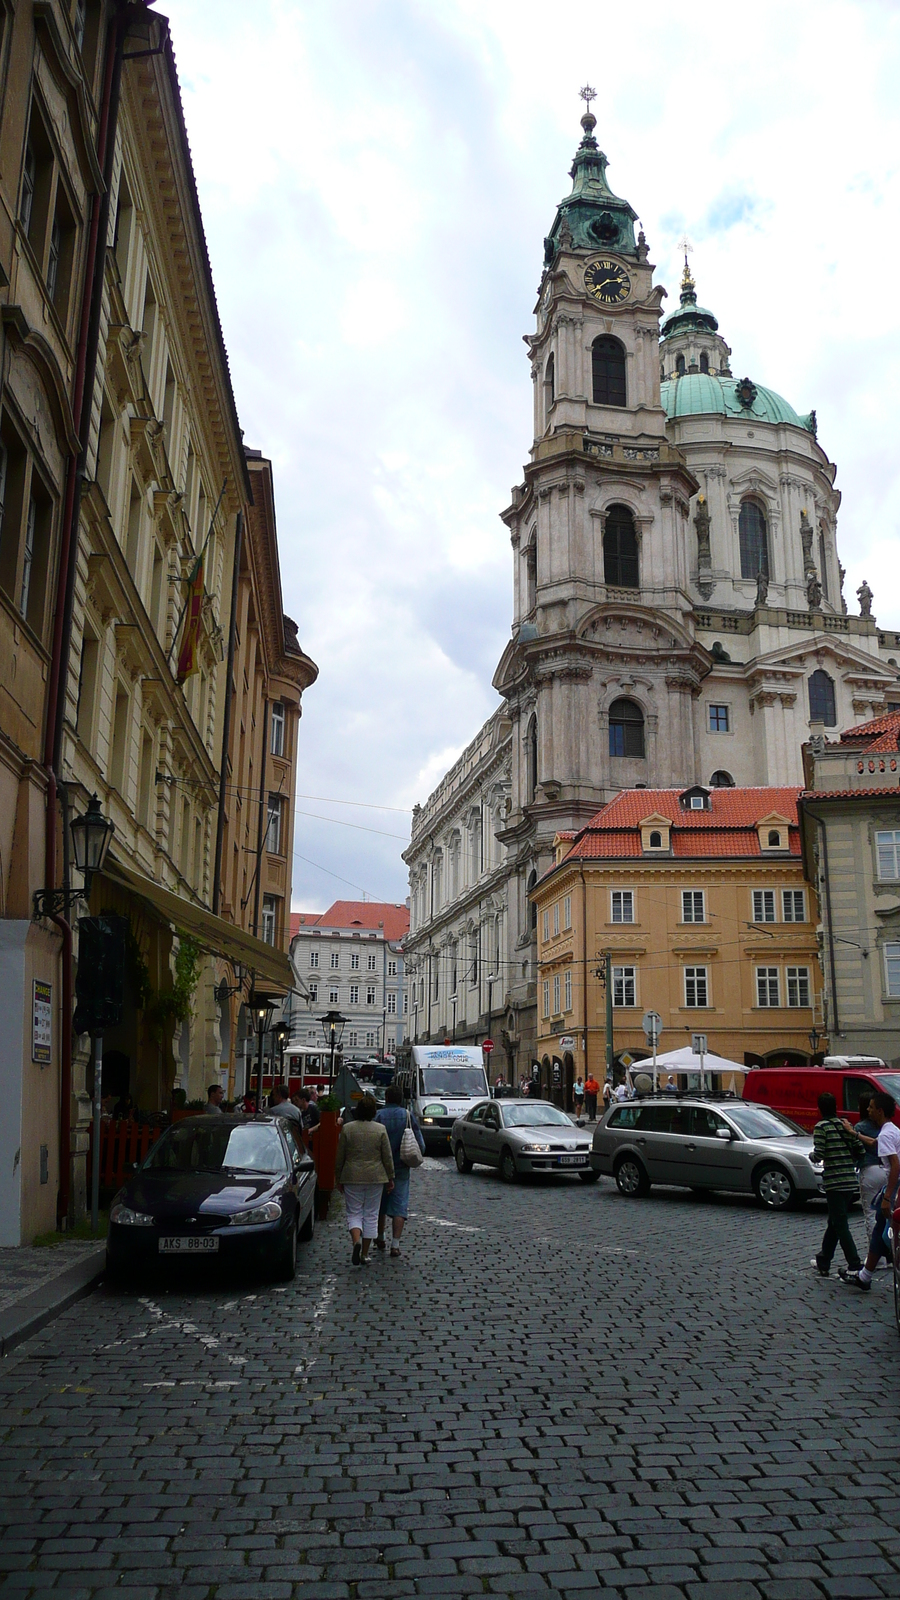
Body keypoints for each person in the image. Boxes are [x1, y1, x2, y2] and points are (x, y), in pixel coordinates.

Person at [841, 1091, 900, 1291]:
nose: (868, 1110)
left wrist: (887, 1196)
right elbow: (874, 1143)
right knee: (879, 1231)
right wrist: (854, 1133)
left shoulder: (885, 1134)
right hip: (892, 1185)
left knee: (886, 1233)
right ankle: (865, 1276)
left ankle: (874, 1269)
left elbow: (895, 1166)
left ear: (880, 1111)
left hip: (894, 1187)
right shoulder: (890, 1130)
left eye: (871, 1107)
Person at [334, 1096, 395, 1266]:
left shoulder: (347, 1129)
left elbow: (340, 1156)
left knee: (354, 1213)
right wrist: (390, 1177)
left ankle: (356, 1242)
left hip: (352, 1176)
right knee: (371, 1214)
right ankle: (365, 1253)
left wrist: (337, 1177)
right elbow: (387, 1156)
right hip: (375, 1177)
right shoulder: (380, 1129)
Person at [811, 1091, 864, 1277]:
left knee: (840, 1224)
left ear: (819, 1109)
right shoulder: (845, 1125)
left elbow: (819, 1154)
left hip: (834, 1181)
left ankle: (855, 1264)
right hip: (849, 1181)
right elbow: (859, 1148)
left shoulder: (821, 1127)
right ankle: (824, 1259)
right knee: (834, 1221)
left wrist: (811, 1156)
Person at [375, 1084, 425, 1257]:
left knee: (379, 1205)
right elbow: (421, 1146)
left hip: (381, 1168)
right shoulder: (407, 1115)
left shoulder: (379, 1116)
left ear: (387, 1098)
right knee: (400, 1206)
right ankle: (395, 1245)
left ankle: (380, 1237)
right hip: (402, 1167)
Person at [853, 1091, 885, 1251]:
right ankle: (889, 1252)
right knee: (886, 1214)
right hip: (886, 1170)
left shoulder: (860, 1127)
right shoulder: (885, 1126)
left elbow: (857, 1150)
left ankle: (876, 1255)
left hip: (870, 1169)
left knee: (871, 1215)